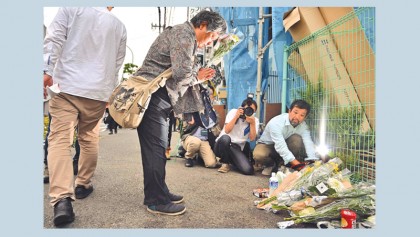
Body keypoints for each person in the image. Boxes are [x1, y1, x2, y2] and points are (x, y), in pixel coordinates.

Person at [133, 10, 226, 216]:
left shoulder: (186, 35)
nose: (210, 42)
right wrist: (199, 77)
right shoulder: (184, 34)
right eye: (212, 36)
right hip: (153, 97)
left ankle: (160, 192)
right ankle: (155, 201)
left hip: (159, 98)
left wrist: (198, 76)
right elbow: (183, 74)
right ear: (202, 24)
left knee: (158, 149)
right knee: (155, 151)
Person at [43, 7, 126, 226]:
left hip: (66, 87)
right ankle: (82, 184)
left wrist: (46, 70)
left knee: (60, 140)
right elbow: (117, 64)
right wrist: (110, 91)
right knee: (89, 137)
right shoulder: (119, 26)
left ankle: (61, 199)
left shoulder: (70, 8)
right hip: (98, 92)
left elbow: (53, 40)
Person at [253, 99, 319, 173]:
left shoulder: (303, 126)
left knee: (296, 139)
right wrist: (298, 165)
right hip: (267, 145)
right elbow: (280, 146)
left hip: (284, 144)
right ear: (289, 111)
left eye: (302, 115)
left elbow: (308, 142)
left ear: (305, 118)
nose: (297, 117)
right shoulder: (276, 123)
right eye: (295, 112)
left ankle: (283, 164)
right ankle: (271, 164)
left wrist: (312, 160)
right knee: (259, 155)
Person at [213, 97, 259, 175]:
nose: (249, 111)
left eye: (252, 111)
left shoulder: (254, 120)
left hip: (236, 148)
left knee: (248, 170)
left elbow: (252, 139)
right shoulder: (233, 112)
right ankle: (225, 163)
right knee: (226, 138)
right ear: (242, 108)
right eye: (247, 109)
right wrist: (236, 117)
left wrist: (252, 123)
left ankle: (233, 161)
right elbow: (227, 130)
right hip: (222, 144)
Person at [181, 85, 220, 168]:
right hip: (191, 138)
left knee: (211, 164)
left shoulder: (213, 114)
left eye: (211, 95)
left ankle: (199, 155)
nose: (210, 97)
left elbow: (217, 132)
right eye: (208, 94)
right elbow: (183, 125)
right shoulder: (191, 109)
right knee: (195, 142)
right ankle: (189, 157)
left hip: (204, 140)